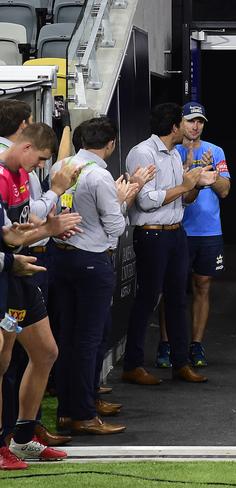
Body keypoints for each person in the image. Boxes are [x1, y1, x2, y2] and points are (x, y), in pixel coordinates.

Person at [0, 123, 82, 466]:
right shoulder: (4, 175)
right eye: (40, 161)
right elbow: (8, 240)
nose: (40, 168)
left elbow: (12, 233)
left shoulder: (17, 174)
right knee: (1, 363)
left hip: (18, 270)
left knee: (46, 351)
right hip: (7, 271)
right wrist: (44, 230)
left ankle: (22, 438)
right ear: (26, 147)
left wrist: (40, 231)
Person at [51, 117, 138, 435]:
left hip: (61, 259)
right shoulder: (100, 176)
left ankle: (68, 411)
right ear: (111, 144)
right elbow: (116, 227)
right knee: (87, 341)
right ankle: (84, 413)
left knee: (67, 338)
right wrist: (123, 201)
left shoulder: (60, 168)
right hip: (91, 262)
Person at [121, 103, 216, 385]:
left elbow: (182, 199)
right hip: (152, 234)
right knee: (148, 298)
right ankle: (132, 364)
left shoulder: (175, 154)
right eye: (185, 124)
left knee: (177, 299)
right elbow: (146, 200)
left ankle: (180, 363)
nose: (191, 129)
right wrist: (185, 185)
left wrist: (196, 184)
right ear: (175, 127)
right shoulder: (143, 152)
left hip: (175, 233)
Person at [156, 102, 230, 369]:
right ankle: (166, 344)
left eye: (200, 121)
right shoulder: (170, 151)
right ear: (180, 124)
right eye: (190, 121)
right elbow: (170, 192)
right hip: (178, 229)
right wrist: (190, 176)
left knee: (203, 287)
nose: (195, 126)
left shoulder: (215, 151)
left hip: (209, 231)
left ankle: (196, 345)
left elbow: (224, 190)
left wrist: (210, 176)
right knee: (172, 289)